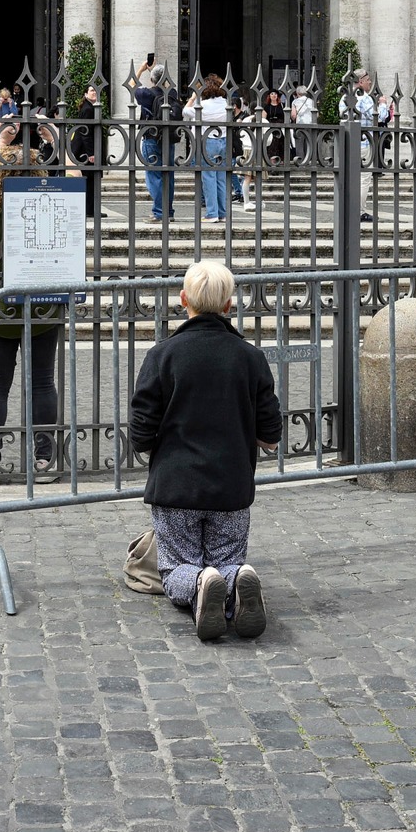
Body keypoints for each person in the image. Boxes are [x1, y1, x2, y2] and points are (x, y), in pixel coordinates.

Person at [127, 259, 281, 642]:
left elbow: (141, 427)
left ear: (184, 300)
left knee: (175, 567)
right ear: (229, 305)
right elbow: (271, 432)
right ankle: (235, 576)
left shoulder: (163, 355)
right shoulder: (250, 357)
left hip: (176, 484)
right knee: (228, 556)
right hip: (231, 486)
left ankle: (198, 582)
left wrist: (149, 446)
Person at [0, 122, 66, 471]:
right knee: (43, 382)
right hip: (42, 304)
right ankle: (44, 458)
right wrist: (56, 141)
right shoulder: (51, 200)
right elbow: (73, 178)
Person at [190, 75, 232, 223]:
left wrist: (193, 97)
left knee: (208, 177)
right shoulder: (226, 103)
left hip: (208, 141)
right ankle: (223, 213)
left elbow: (185, 112)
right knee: (221, 178)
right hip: (224, 140)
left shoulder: (203, 105)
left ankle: (212, 213)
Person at [135, 66, 175, 221]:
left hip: (151, 137)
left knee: (154, 176)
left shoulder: (146, 93)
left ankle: (159, 212)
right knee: (168, 175)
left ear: (152, 79)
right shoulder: (172, 93)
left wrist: (141, 69)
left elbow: (131, 84)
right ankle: (168, 211)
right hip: (168, 138)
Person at [68, 81, 99, 217]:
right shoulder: (88, 109)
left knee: (90, 179)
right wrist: (91, 153)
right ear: (86, 94)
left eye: (95, 90)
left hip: (84, 150)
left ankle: (91, 209)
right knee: (89, 180)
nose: (94, 92)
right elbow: (85, 133)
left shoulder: (89, 107)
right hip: (84, 151)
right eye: (91, 90)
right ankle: (89, 210)